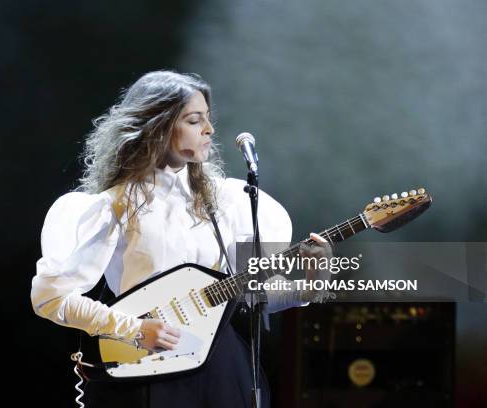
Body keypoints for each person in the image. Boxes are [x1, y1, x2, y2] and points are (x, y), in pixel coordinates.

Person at [30, 70, 331, 407]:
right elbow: (49, 298)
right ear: (157, 126)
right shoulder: (111, 206)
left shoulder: (226, 202)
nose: (209, 130)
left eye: (208, 119)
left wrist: (309, 286)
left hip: (221, 366)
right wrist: (134, 329)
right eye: (194, 120)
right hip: (147, 366)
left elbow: (251, 297)